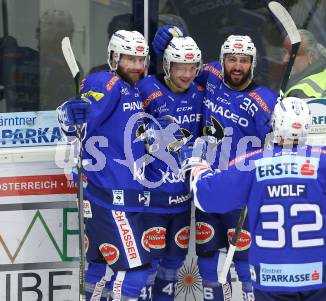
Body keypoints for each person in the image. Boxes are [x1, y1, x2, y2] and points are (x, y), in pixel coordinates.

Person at [181, 97, 326, 301]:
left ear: (275, 123)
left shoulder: (251, 163)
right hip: (322, 276)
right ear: (307, 125)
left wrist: (197, 166)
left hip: (271, 279)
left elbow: (206, 197)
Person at [153, 27, 278, 301]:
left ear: (253, 64)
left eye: (244, 60)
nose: (237, 66)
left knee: (246, 265)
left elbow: (281, 145)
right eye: (232, 59)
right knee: (208, 262)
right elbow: (183, 64)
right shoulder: (209, 75)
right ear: (221, 60)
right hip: (208, 185)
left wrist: (278, 132)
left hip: (241, 189)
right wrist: (174, 35)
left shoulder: (266, 100)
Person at [57, 30, 155, 300]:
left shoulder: (130, 88)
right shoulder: (106, 82)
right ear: (114, 58)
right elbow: (79, 123)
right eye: (129, 59)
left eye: (140, 59)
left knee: (98, 267)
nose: (136, 66)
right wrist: (69, 115)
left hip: (112, 194)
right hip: (111, 196)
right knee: (135, 272)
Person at [136, 36, 204, 301]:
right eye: (179, 67)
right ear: (166, 65)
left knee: (173, 265)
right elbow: (125, 125)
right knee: (148, 266)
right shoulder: (145, 88)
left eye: (192, 67)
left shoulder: (201, 91)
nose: (187, 74)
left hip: (183, 198)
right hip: (151, 197)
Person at [283, 29, 326, 98]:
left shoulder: (299, 93)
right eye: (284, 53)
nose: (285, 59)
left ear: (311, 56)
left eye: (292, 55)